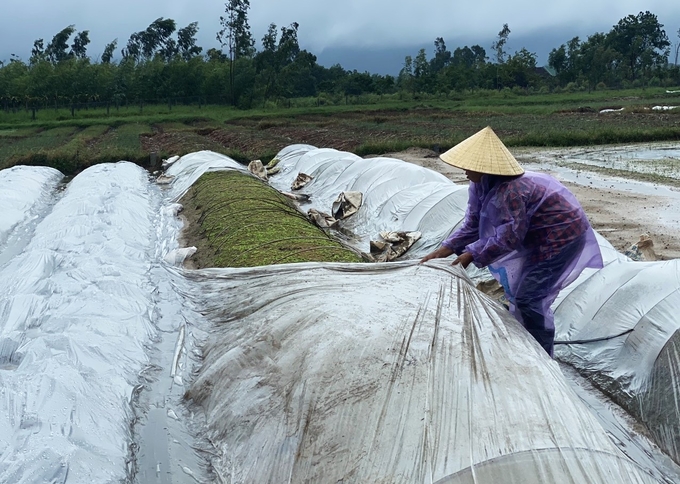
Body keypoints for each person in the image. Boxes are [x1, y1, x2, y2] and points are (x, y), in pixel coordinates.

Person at [420, 126, 603, 357]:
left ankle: (543, 354)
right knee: (520, 292)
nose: (465, 171)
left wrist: (470, 255)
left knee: (529, 297)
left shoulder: (511, 191)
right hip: (536, 235)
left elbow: (509, 237)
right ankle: (527, 340)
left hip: (561, 237)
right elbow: (473, 223)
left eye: (468, 167)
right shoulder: (480, 186)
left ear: (482, 168)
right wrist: (444, 249)